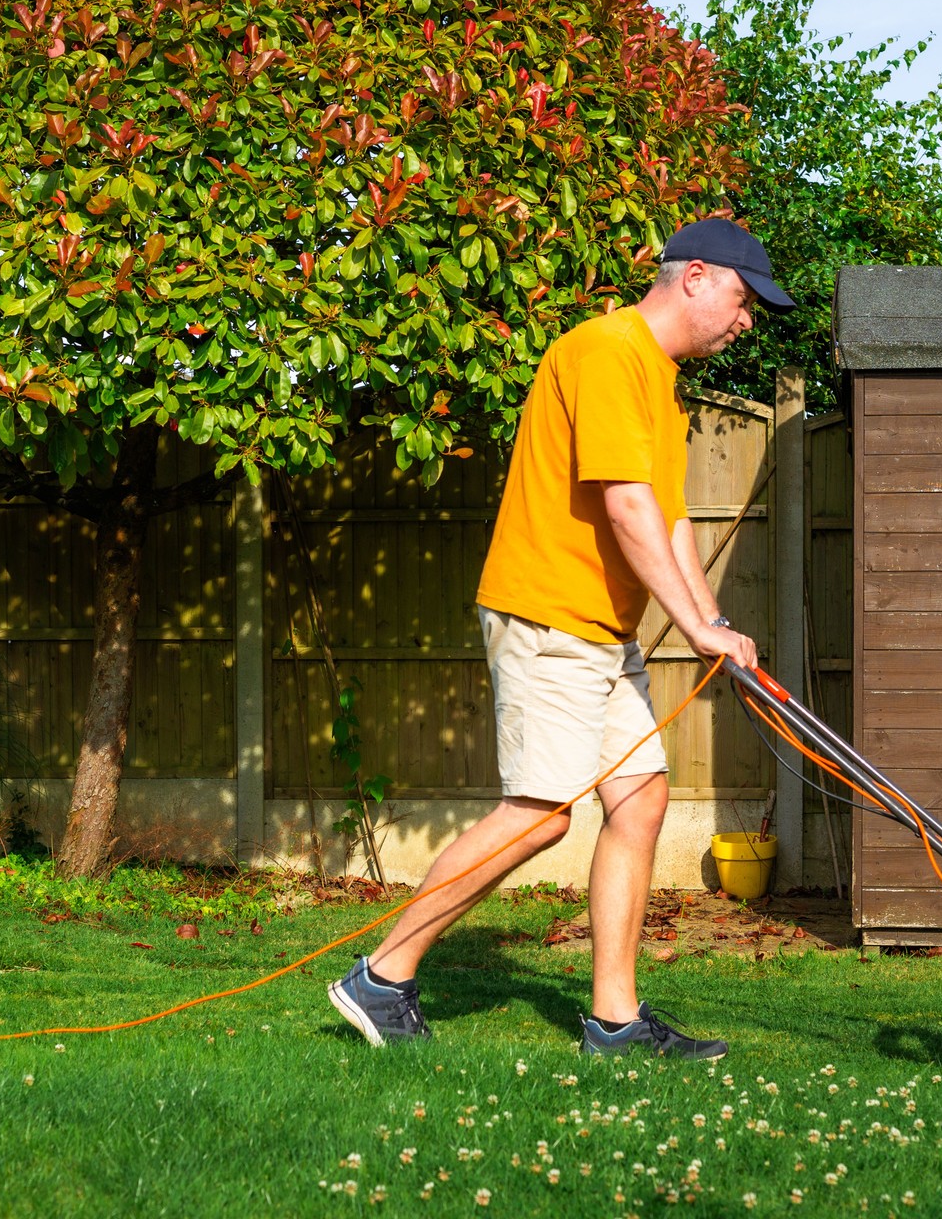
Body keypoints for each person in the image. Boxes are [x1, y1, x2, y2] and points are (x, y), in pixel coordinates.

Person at [329, 219, 795, 1058]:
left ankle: (613, 1023)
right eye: (743, 299)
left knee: (642, 798)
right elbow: (622, 505)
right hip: (549, 616)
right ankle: (383, 975)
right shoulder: (608, 352)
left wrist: (714, 626)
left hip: (600, 630)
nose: (747, 321)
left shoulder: (657, 377)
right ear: (696, 276)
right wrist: (693, 626)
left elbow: (670, 518)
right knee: (542, 814)